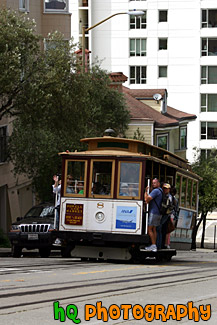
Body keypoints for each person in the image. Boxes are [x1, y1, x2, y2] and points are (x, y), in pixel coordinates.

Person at [144, 178, 163, 252]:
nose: (153, 184)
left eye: (154, 183)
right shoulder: (160, 191)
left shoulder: (155, 191)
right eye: (152, 183)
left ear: (158, 183)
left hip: (153, 213)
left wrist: (146, 191)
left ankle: (153, 245)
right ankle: (154, 245)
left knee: (149, 229)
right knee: (154, 229)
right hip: (158, 213)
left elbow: (147, 199)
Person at [158, 183, 173, 249]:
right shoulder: (163, 195)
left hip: (165, 215)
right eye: (164, 188)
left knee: (161, 229)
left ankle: (161, 244)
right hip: (163, 214)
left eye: (166, 188)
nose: (165, 190)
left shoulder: (169, 197)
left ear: (169, 189)